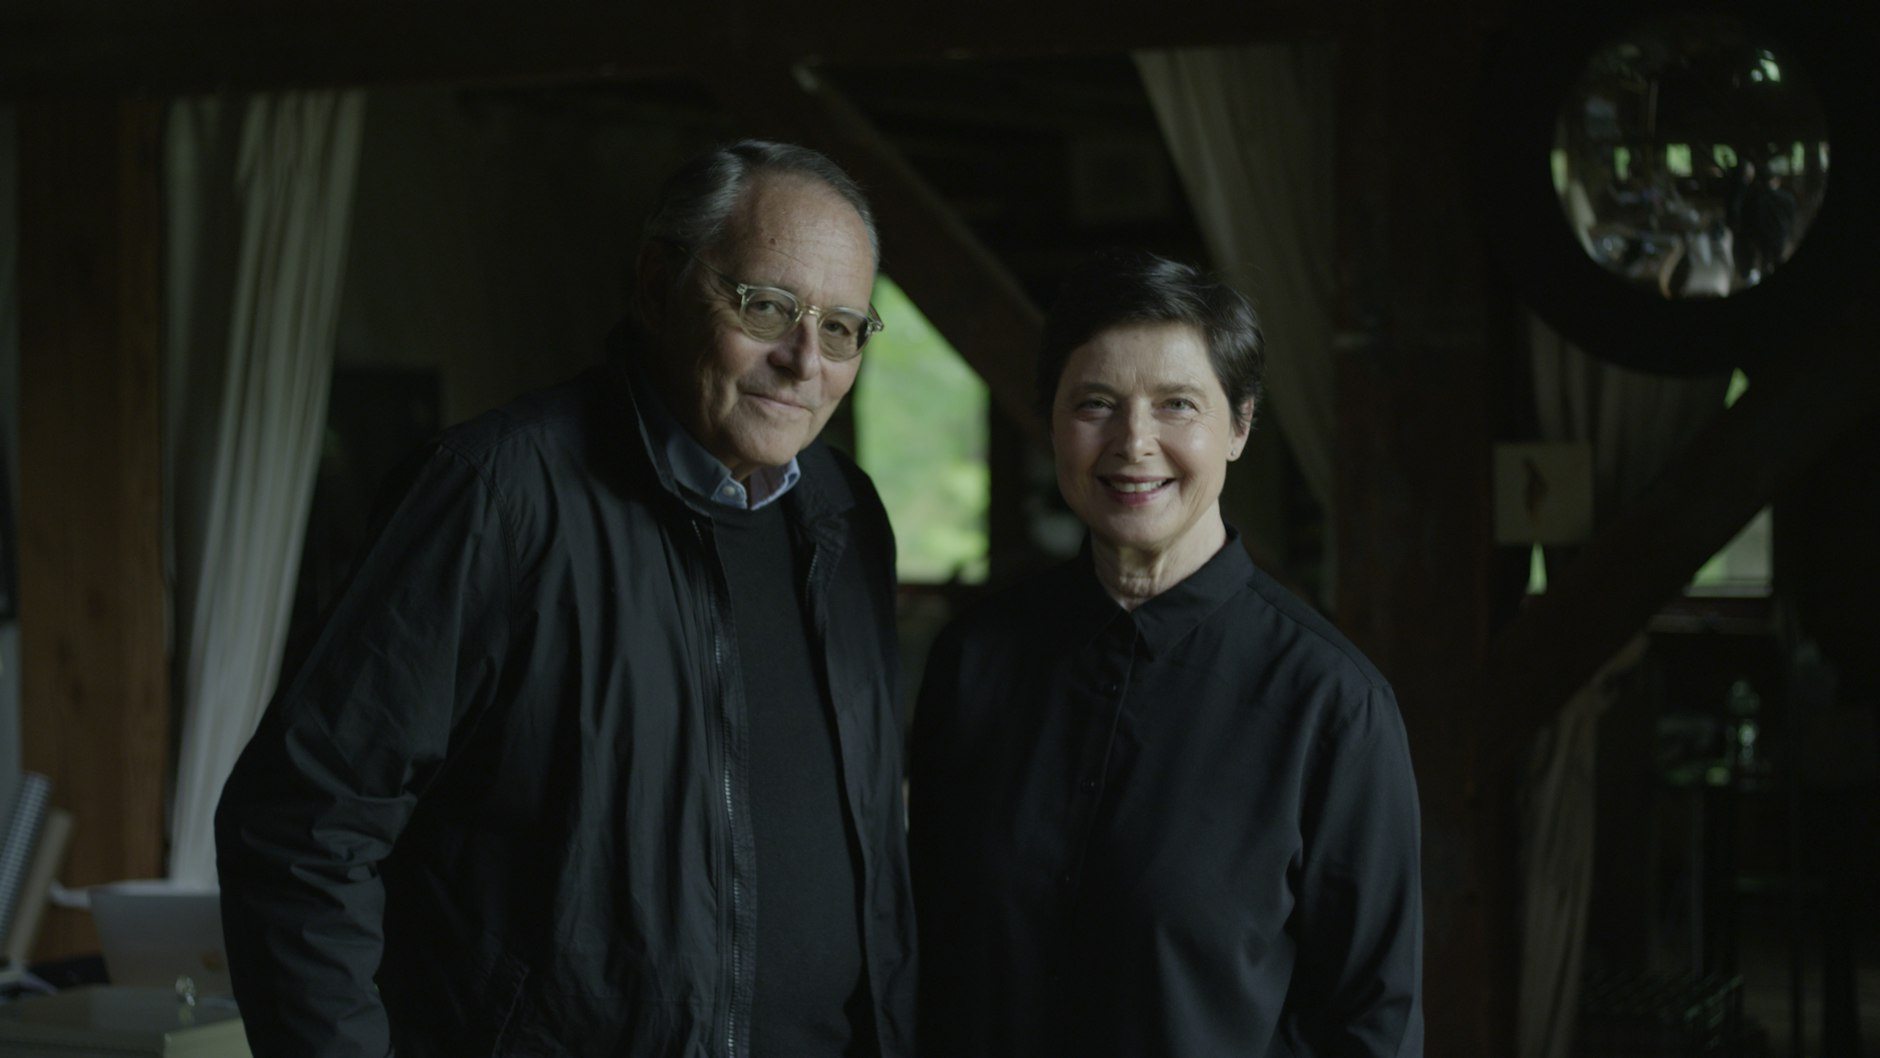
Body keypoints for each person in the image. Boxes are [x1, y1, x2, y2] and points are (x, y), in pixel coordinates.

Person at [216, 140, 916, 1058]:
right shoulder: (495, 496)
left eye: (840, 329)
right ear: (659, 285)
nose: (802, 360)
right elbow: (303, 826)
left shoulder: (846, 515)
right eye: (766, 306)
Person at [909, 248, 1423, 1057]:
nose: (1133, 442)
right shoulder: (974, 660)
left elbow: (1371, 1026)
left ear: (1240, 425)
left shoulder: (1332, 705)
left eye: (1178, 404)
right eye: (1096, 404)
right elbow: (924, 952)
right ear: (1052, 421)